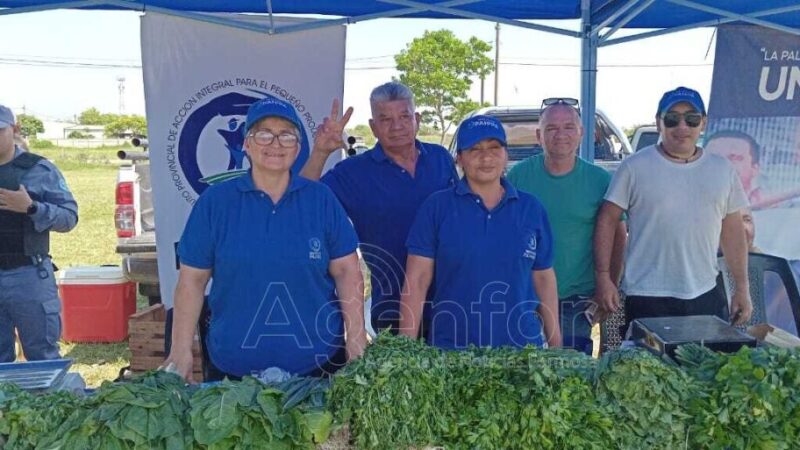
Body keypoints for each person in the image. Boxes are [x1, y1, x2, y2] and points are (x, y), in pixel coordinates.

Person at [164, 97, 367, 382]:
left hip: (317, 366)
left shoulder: (321, 199)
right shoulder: (215, 203)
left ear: (298, 148)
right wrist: (180, 349)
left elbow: (347, 271)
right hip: (233, 372)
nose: (275, 143)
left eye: (286, 135)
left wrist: (356, 339)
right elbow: (192, 281)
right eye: (263, 134)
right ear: (246, 144)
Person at [301, 81, 457, 334]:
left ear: (416, 119)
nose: (397, 126)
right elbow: (303, 201)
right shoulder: (353, 172)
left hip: (453, 304)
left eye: (404, 116)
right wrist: (320, 152)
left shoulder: (440, 158)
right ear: (373, 126)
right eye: (385, 119)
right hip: (391, 309)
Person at [594, 87, 753, 331]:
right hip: (646, 295)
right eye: (672, 119)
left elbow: (733, 232)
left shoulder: (722, 170)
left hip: (705, 292)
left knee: (706, 357)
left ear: (703, 123)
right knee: (647, 358)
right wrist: (604, 277)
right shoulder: (634, 167)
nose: (682, 126)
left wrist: (742, 288)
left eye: (691, 119)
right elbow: (607, 219)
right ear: (659, 122)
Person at [398, 115, 561, 349]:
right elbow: (417, 280)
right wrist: (405, 348)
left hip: (522, 352)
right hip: (452, 351)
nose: (486, 157)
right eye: (475, 149)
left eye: (494, 148)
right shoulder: (436, 207)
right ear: (459, 158)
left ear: (506, 155)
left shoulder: (531, 208)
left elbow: (544, 278)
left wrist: (557, 346)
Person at [507, 99, 626, 354]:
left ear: (582, 133)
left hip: (577, 299)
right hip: (527, 298)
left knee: (571, 371)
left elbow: (618, 235)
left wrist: (609, 283)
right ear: (539, 136)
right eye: (551, 128)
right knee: (527, 370)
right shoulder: (518, 176)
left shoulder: (599, 180)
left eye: (569, 127)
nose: (560, 135)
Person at [0, 103, 78, 362]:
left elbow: (69, 218)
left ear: (14, 129)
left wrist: (32, 208)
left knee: (42, 356)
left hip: (28, 276)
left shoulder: (39, 170)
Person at [705, 130, 763, 206]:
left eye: (734, 159)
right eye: (713, 158)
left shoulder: (772, 210)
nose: (721, 165)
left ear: (755, 169)